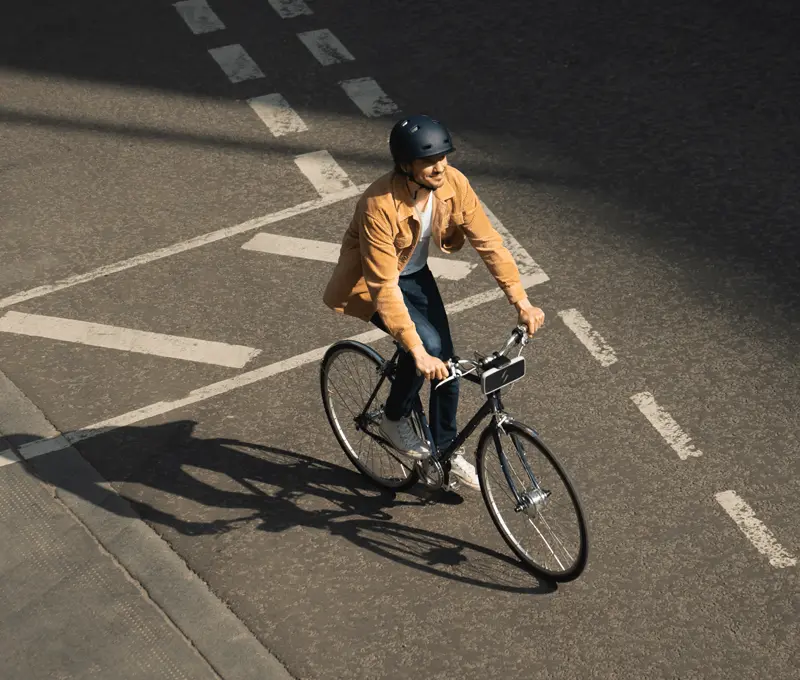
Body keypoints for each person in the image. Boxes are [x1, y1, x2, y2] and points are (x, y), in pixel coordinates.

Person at [323, 114, 544, 490]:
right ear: (406, 166)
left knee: (449, 366)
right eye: (429, 161)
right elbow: (383, 284)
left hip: (414, 274)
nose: (440, 166)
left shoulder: (453, 183)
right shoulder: (379, 204)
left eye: (443, 156)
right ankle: (394, 418)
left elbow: (489, 243)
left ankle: (444, 452)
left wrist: (520, 300)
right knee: (428, 348)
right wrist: (416, 349)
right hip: (376, 282)